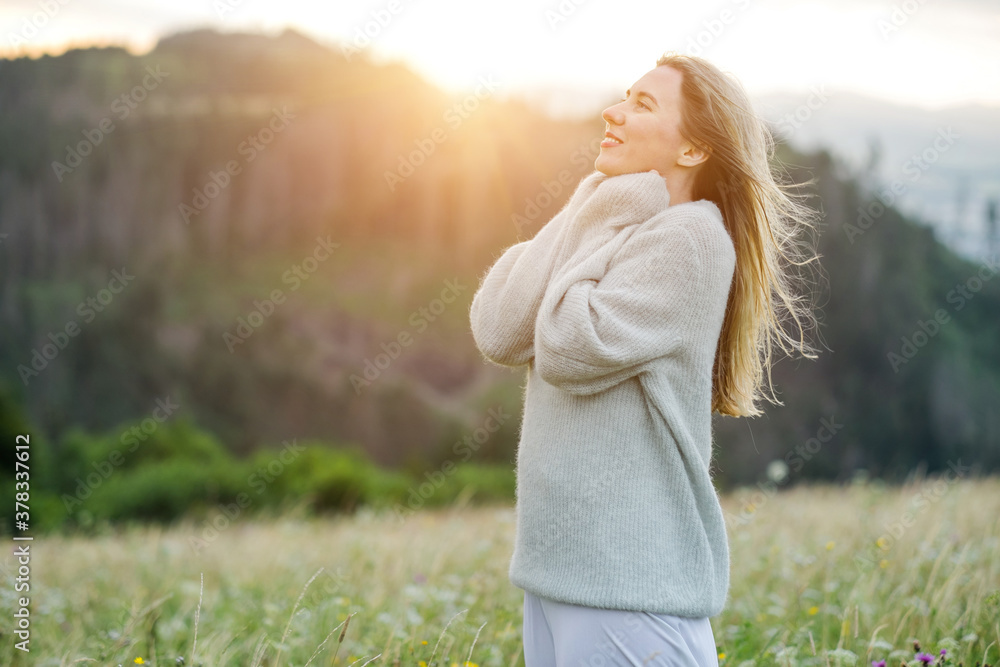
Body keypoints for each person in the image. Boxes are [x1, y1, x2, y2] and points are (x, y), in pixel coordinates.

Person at [469, 52, 821, 666]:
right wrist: (591, 203)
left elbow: (568, 347)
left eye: (643, 105)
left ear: (691, 152)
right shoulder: (609, 217)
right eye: (625, 96)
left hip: (629, 581)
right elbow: (500, 327)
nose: (613, 111)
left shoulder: (690, 238)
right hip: (559, 574)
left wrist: (599, 209)